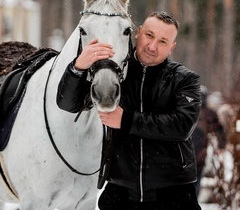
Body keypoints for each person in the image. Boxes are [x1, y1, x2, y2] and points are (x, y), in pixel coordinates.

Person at [57, 11, 202, 210]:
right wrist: (78, 67)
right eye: (149, 36)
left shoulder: (185, 79)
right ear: (138, 32)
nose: (152, 46)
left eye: (162, 41)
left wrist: (125, 120)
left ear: (172, 48)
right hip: (120, 194)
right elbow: (68, 104)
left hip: (173, 194)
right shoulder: (112, 74)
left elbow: (182, 125)